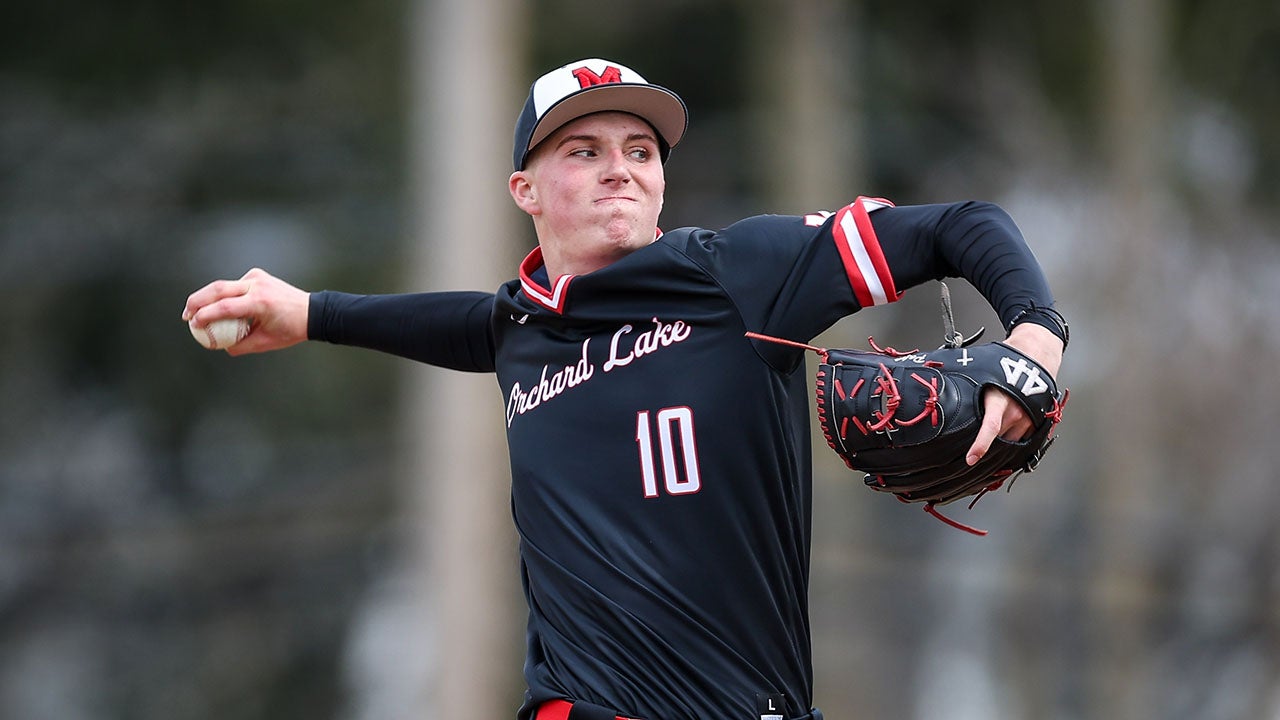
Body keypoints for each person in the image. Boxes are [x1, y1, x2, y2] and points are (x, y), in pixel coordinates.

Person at [183, 58, 1066, 720]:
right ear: (524, 189)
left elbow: (964, 226)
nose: (622, 167)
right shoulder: (520, 325)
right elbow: (455, 324)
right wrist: (311, 312)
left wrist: (1033, 346)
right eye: (585, 148)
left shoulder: (735, 277)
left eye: (640, 149)